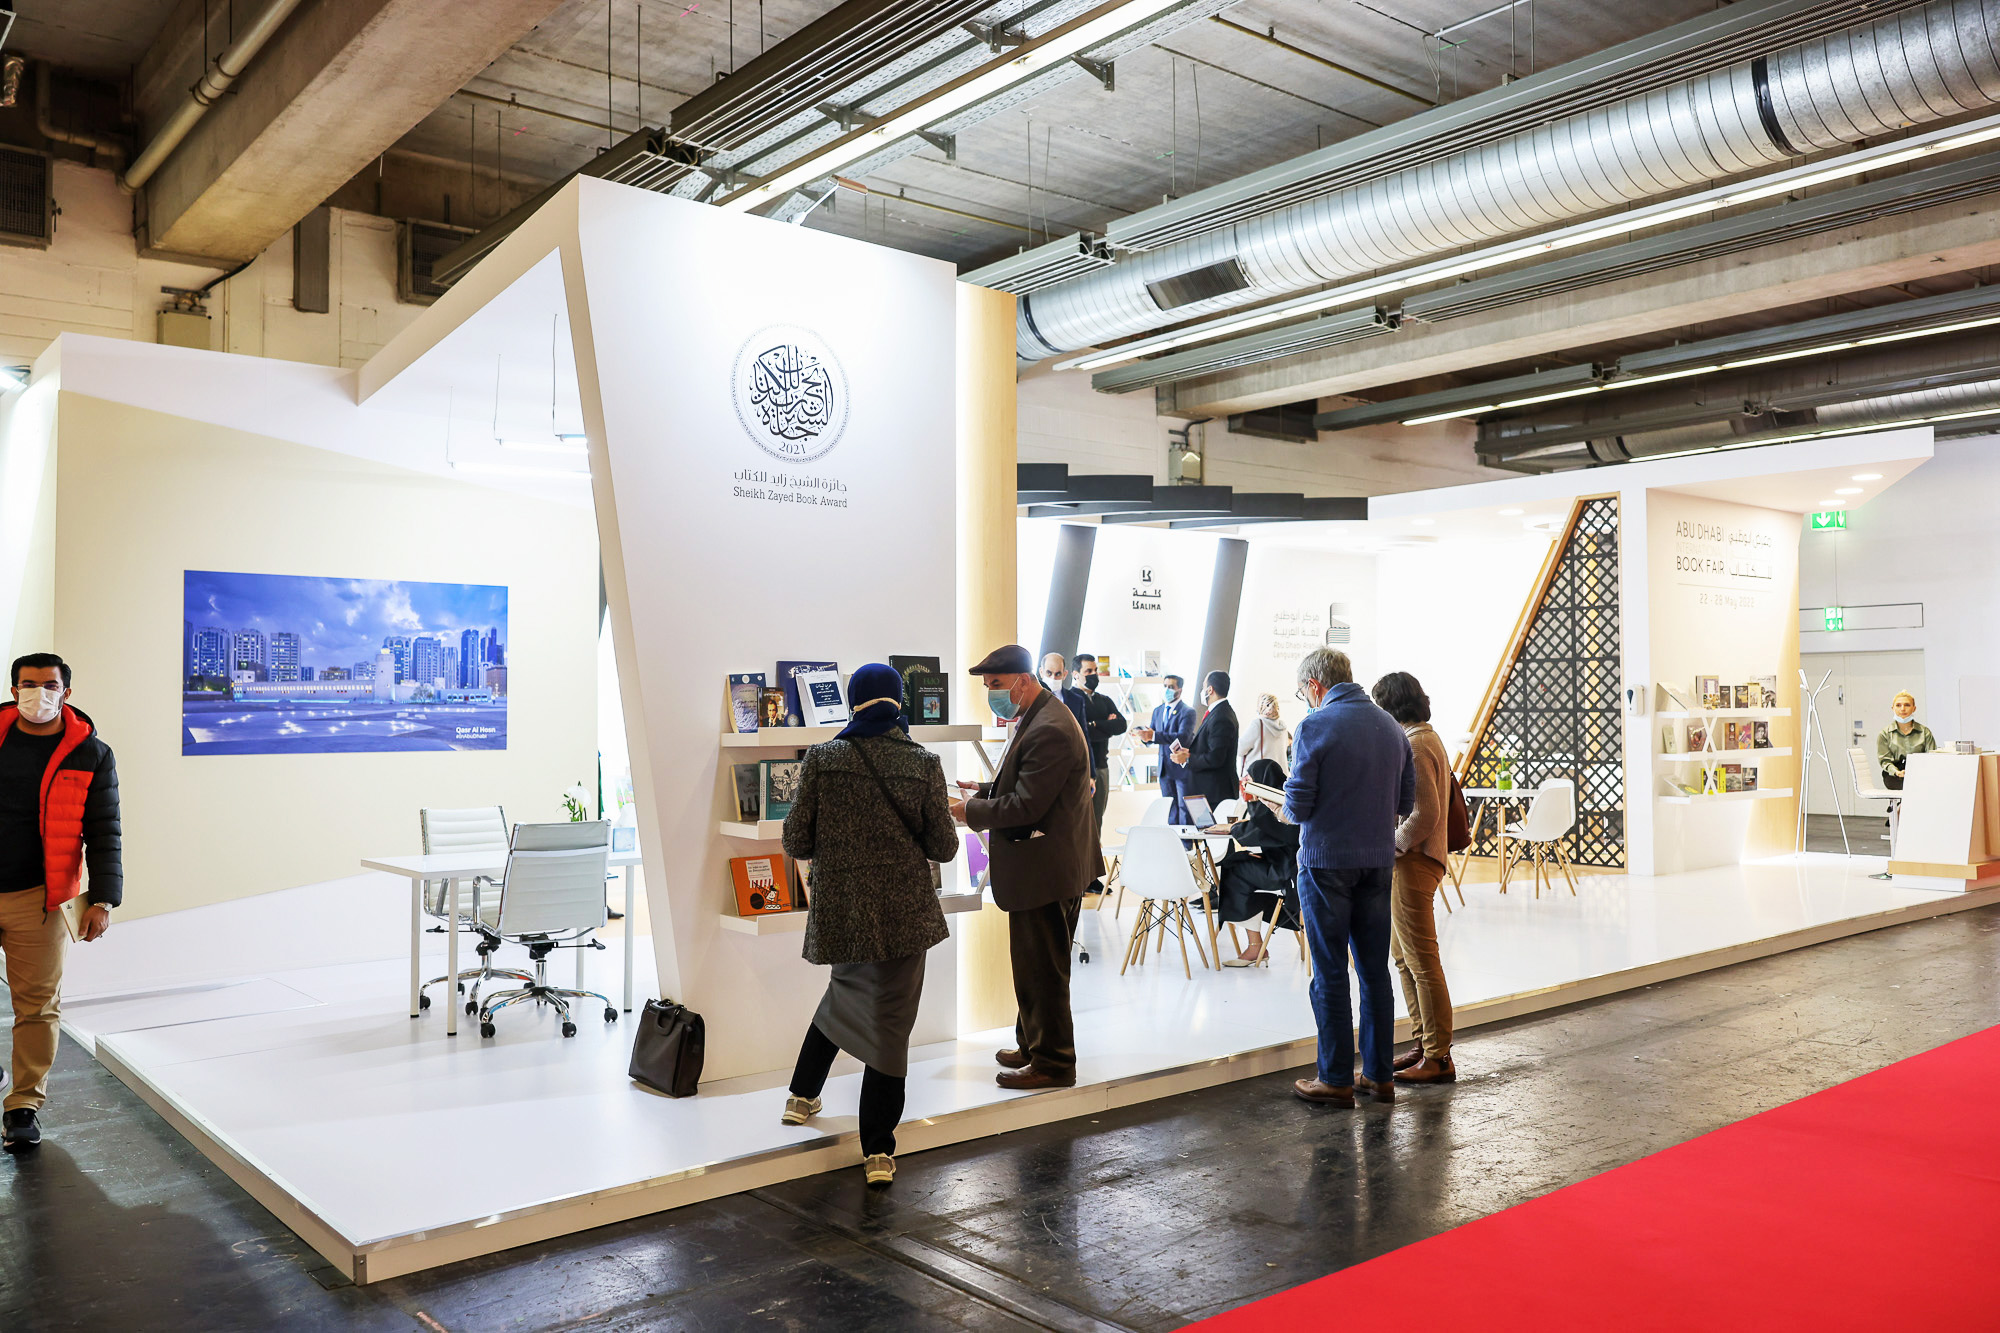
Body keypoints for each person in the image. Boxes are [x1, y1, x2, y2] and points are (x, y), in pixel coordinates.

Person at [780, 663, 958, 1187]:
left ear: (852, 701)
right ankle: (877, 1149)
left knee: (844, 995)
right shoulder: (923, 763)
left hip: (843, 912)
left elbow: (796, 841)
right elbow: (945, 847)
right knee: (891, 1022)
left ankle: (800, 1097)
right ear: (898, 701)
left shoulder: (823, 758)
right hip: (903, 914)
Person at [950, 644, 1096, 1091]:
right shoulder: (1039, 715)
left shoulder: (1049, 727)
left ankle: (1054, 1062)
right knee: (1034, 965)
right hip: (1046, 866)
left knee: (1043, 970)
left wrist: (971, 810)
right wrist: (986, 788)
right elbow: (1030, 781)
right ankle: (1033, 1045)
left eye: (996, 685)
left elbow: (1029, 805)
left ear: (1024, 681)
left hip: (1046, 869)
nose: (991, 694)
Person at [1, 654, 121, 1150]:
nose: (39, 694)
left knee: (37, 1006)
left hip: (41, 900)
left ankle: (23, 1106)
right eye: (28, 685)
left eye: (49, 685)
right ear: (13, 690)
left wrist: (104, 899)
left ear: (66, 692)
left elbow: (104, 830)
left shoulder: (90, 753)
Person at [1284, 648, 1412, 1109]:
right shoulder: (1391, 727)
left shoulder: (1314, 726)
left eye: (1303, 693)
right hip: (1377, 861)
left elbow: (1298, 806)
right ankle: (1379, 1075)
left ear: (1315, 686)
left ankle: (1335, 1078)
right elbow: (1406, 801)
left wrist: (1282, 800)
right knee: (1374, 970)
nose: (1305, 700)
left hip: (1325, 863)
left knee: (1330, 971)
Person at [1371, 671, 1456, 1085]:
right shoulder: (1423, 737)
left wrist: (1392, 845)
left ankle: (1437, 1056)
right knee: (1405, 958)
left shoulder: (1417, 743)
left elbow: (1425, 814)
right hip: (1414, 861)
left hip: (1414, 861)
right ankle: (1424, 1043)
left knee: (1420, 961)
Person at [1205, 758, 1299, 966]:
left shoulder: (1278, 804)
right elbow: (1262, 828)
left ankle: (1255, 946)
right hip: (1288, 864)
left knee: (1234, 870)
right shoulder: (1287, 800)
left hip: (1286, 871)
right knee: (1238, 861)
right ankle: (1255, 944)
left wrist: (1233, 828)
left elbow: (1260, 830)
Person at [1073, 654, 1126, 845]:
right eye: (1088, 671)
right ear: (1076, 674)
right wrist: (1105, 726)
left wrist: (1095, 724)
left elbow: (1121, 725)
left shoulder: (1104, 700)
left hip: (1102, 766)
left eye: (1095, 670)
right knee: (1079, 821)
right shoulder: (1072, 699)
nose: (1094, 675)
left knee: (1097, 819)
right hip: (1080, 769)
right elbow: (1081, 733)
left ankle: (1094, 860)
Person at [1134, 673, 1195, 823]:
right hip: (1164, 769)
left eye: (1171, 687)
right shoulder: (1158, 710)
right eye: (1165, 686)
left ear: (1179, 690)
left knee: (1184, 809)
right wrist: (1144, 737)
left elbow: (1183, 737)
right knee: (1169, 809)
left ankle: (1185, 838)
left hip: (1181, 768)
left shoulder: (1188, 712)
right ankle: (1172, 836)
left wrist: (1154, 736)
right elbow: (1153, 735)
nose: (1167, 690)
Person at [1177, 670, 1239, 814]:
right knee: (1202, 828)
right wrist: (1189, 753)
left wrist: (1188, 758)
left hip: (1214, 793)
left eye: (1204, 686)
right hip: (1208, 790)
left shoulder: (1221, 717)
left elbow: (1215, 758)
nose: (1202, 690)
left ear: (1210, 690)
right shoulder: (1218, 712)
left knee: (1210, 828)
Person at [1877, 690, 1938, 790]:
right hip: (1895, 775)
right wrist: (1897, 772)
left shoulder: (1924, 732)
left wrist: (1920, 771)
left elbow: (1932, 757)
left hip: (1919, 772)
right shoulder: (1885, 734)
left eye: (1907, 705)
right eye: (1898, 705)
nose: (1902, 709)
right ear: (1893, 708)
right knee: (1908, 786)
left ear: (1914, 708)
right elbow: (1885, 760)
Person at [1239, 693, 1290, 773]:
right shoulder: (1283, 728)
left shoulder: (1258, 724)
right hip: (1279, 776)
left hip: (1261, 776)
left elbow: (1240, 750)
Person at [1040, 652, 1088, 734]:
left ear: (1064, 674)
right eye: (1049, 673)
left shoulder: (1076, 701)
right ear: (1041, 672)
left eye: (1058, 674)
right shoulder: (1031, 698)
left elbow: (1082, 734)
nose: (1053, 678)